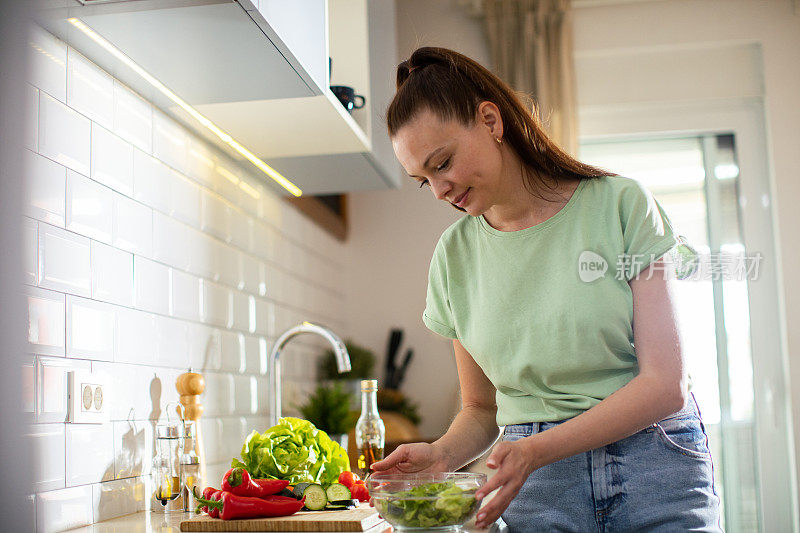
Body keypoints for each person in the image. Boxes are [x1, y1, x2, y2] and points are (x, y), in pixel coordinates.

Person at [369, 46, 722, 532]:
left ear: (491, 121)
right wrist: (440, 455)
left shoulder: (622, 206)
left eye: (443, 162)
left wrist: (534, 450)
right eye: (422, 180)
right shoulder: (454, 257)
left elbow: (666, 386)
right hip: (539, 487)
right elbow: (481, 407)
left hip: (654, 464)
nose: (439, 190)